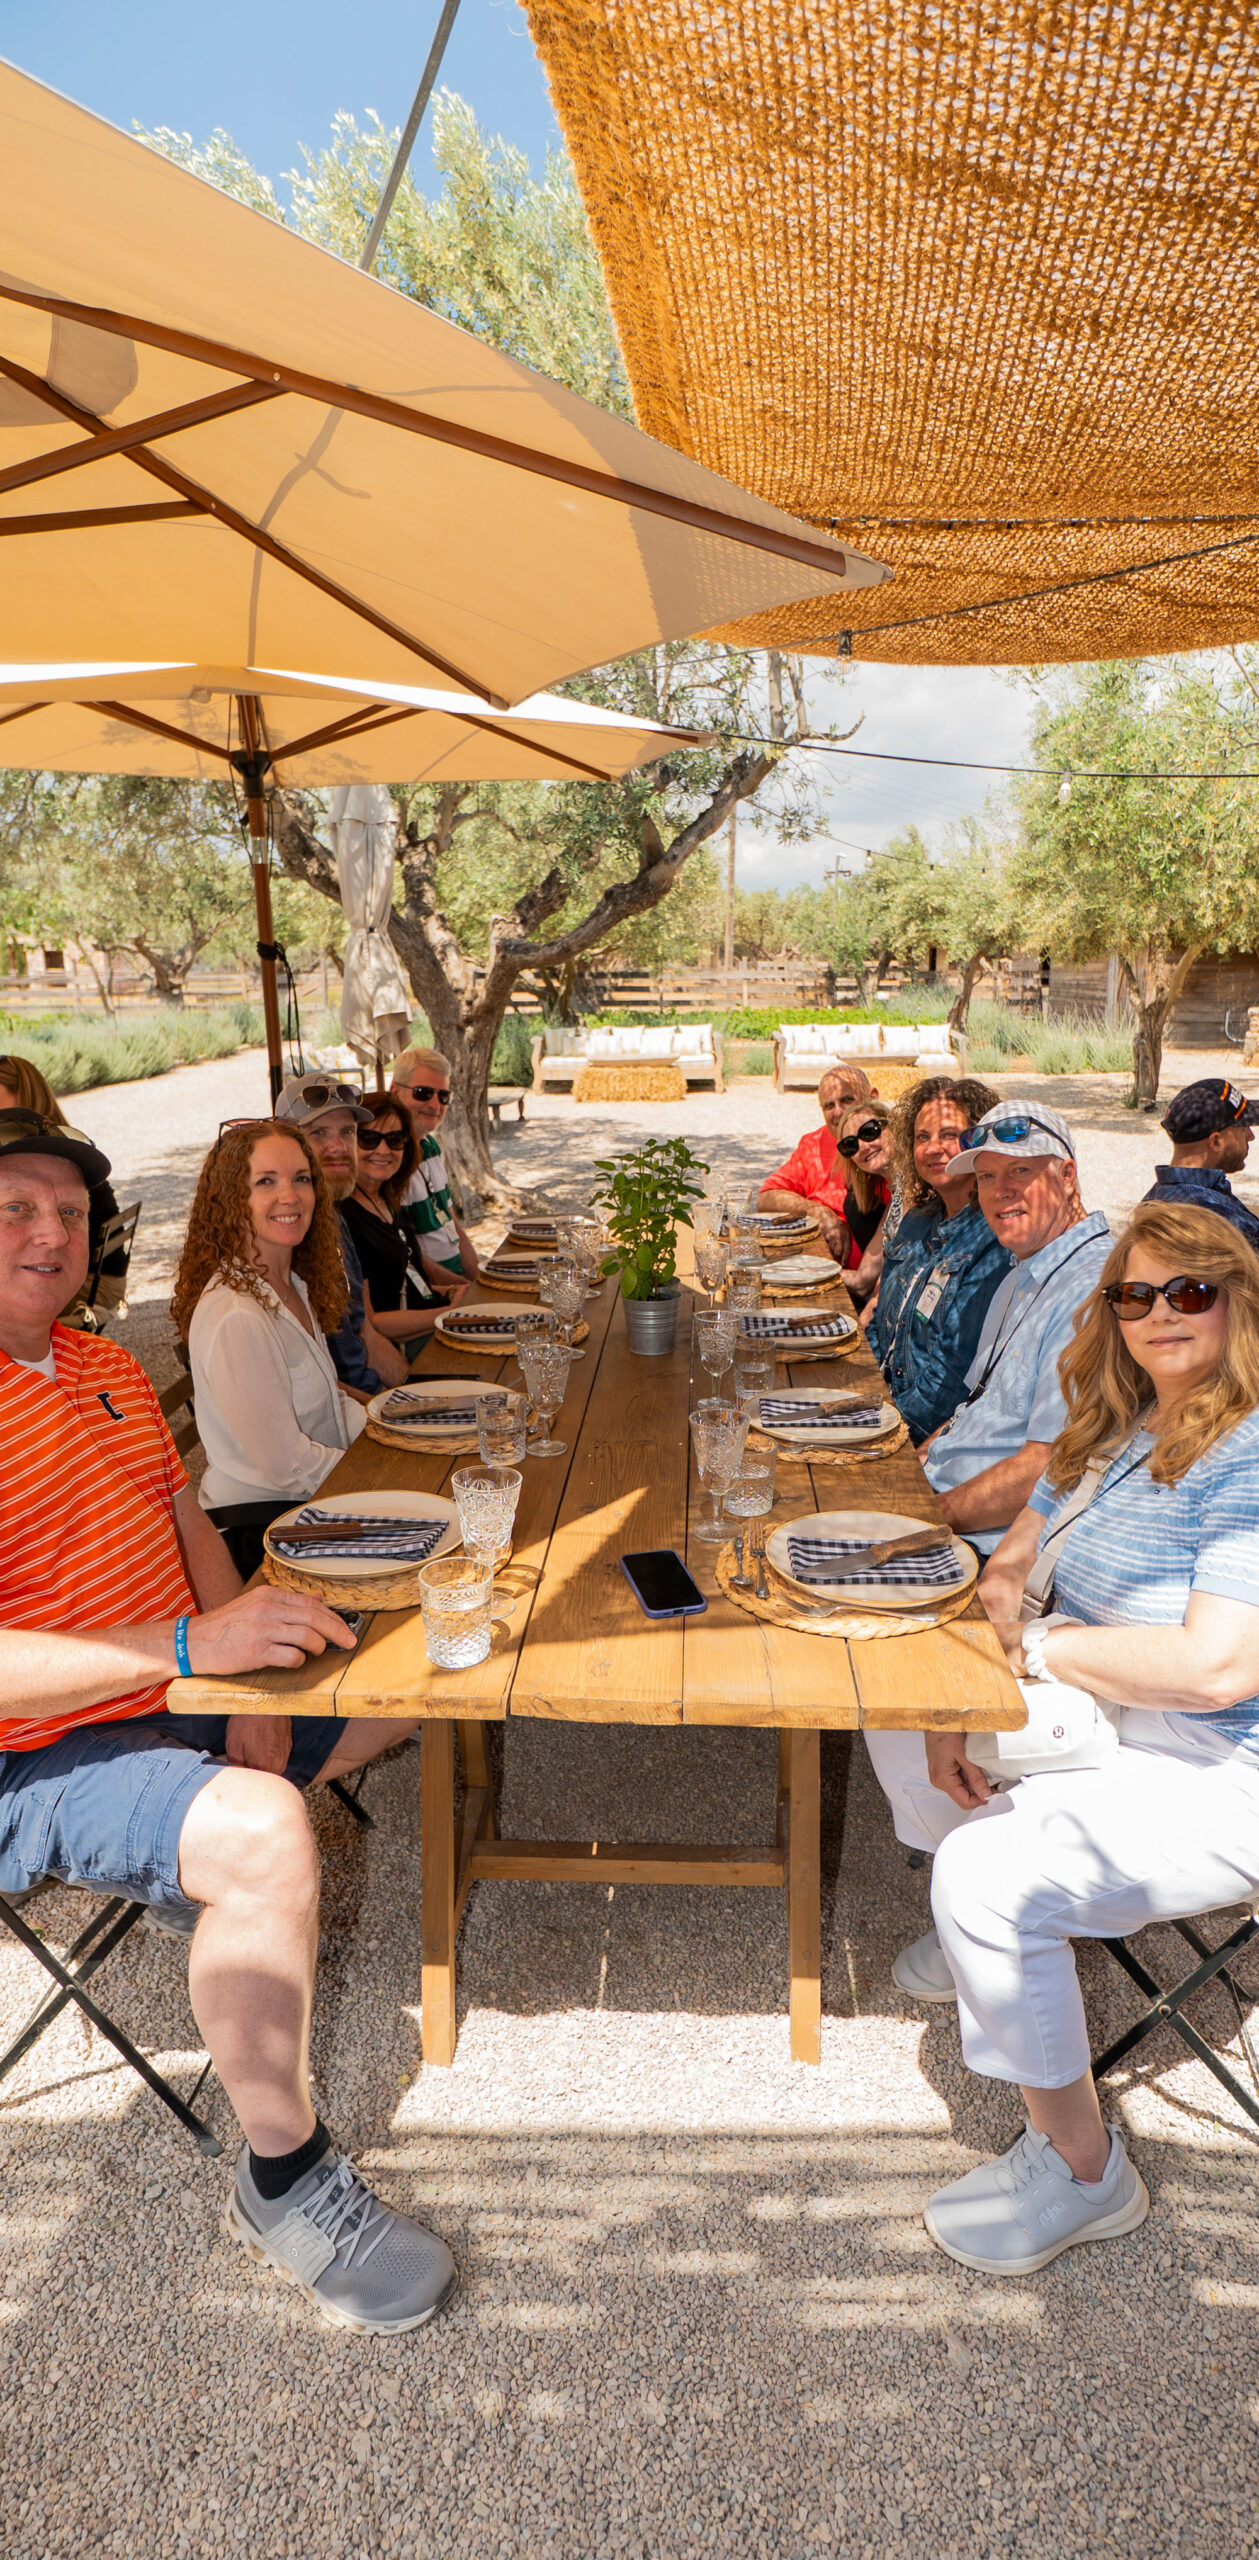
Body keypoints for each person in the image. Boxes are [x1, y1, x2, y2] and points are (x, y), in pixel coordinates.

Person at [0, 1106, 456, 2331]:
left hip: (172, 1695)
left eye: (67, 1211)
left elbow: (192, 1525)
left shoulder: (100, 1365)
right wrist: (195, 1652)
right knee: (262, 1831)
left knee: (403, 1686)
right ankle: (285, 2177)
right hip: (37, 1757)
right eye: (15, 1209)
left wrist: (240, 1668)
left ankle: (226, 1867)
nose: (50, 1232)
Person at [872, 1203, 1259, 2277]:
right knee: (892, 1703)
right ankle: (998, 1947)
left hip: (1221, 1761)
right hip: (1106, 1721)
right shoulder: (1109, 1424)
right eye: (1134, 1295)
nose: (1158, 1314)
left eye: (1190, 1292)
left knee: (984, 1874)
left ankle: (1086, 2171)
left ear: (1238, 1302)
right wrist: (980, 1659)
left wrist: (1050, 1651)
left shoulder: (1247, 1451)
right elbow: (1012, 1565)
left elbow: (1219, 1668)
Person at [868, 1100, 1112, 1998]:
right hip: (956, 1497)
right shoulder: (1027, 1267)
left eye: (1022, 1173)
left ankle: (979, 1904)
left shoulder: (1094, 1285)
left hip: (1005, 1536)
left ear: (1067, 1174)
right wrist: (916, 1460)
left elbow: (1053, 1460)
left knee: (878, 1653)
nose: (1001, 1191)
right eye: (989, 1178)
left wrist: (928, 1513)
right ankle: (966, 1869)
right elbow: (983, 1410)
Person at [174, 1119, 368, 1577]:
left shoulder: (289, 1283)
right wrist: (374, 1474)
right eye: (266, 1182)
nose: (290, 1196)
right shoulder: (237, 1312)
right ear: (230, 1200)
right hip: (265, 1531)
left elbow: (329, 1404)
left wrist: (385, 1428)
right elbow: (287, 1465)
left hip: (311, 1506)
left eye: (301, 1178)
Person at [866, 1075, 1011, 1443]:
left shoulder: (993, 1238)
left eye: (949, 1135)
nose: (933, 1148)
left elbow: (953, 1373)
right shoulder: (916, 1221)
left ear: (977, 1142)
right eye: (922, 1137)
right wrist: (862, 1395)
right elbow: (880, 1322)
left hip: (924, 1436)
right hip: (878, 1408)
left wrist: (884, 1427)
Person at [274, 1074, 406, 1399]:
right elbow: (304, 1384)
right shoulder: (281, 1235)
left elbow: (364, 1330)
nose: (338, 1147)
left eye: (347, 1132)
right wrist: (385, 1411)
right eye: (318, 1133)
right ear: (285, 1140)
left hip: (368, 1405)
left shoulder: (334, 1219)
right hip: (339, 1429)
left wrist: (412, 1391)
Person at [0, 1053, 126, 1326]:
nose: (55, 1235)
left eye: (69, 1211)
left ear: (23, 1096)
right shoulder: (67, 1145)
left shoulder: (68, 1155)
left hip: (98, 1284)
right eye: (15, 1208)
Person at [338, 1096, 468, 1353]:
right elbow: (374, 1321)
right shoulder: (345, 1218)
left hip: (430, 1329)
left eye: (395, 1139)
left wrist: (450, 1290)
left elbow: (399, 1284)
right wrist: (448, 1313)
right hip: (410, 1349)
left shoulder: (387, 1200)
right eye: (369, 1139)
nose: (383, 1150)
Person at [756, 1063, 876, 1259]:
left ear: (872, 1098)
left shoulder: (885, 1148)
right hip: (818, 1267)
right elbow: (766, 1196)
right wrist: (819, 1213)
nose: (838, 1112)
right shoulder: (814, 1145)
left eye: (847, 1100)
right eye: (829, 1105)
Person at [389, 1047, 480, 1282]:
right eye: (423, 1093)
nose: (435, 1105)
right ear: (395, 1092)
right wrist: (465, 1290)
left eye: (443, 1096)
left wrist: (478, 1278)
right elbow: (406, 1253)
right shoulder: (386, 1160)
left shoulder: (429, 1146)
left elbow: (449, 1219)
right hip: (431, 1291)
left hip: (458, 1280)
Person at [1141, 1076, 1259, 1253]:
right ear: (1216, 1142)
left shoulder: (1150, 1203)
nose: (1251, 1136)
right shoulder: (1226, 1223)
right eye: (1243, 1129)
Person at [830, 1095, 894, 1303]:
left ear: (893, 1127)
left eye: (869, 1132)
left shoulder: (920, 1188)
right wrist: (807, 1272)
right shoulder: (898, 1194)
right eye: (850, 1145)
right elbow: (862, 1279)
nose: (863, 1147)